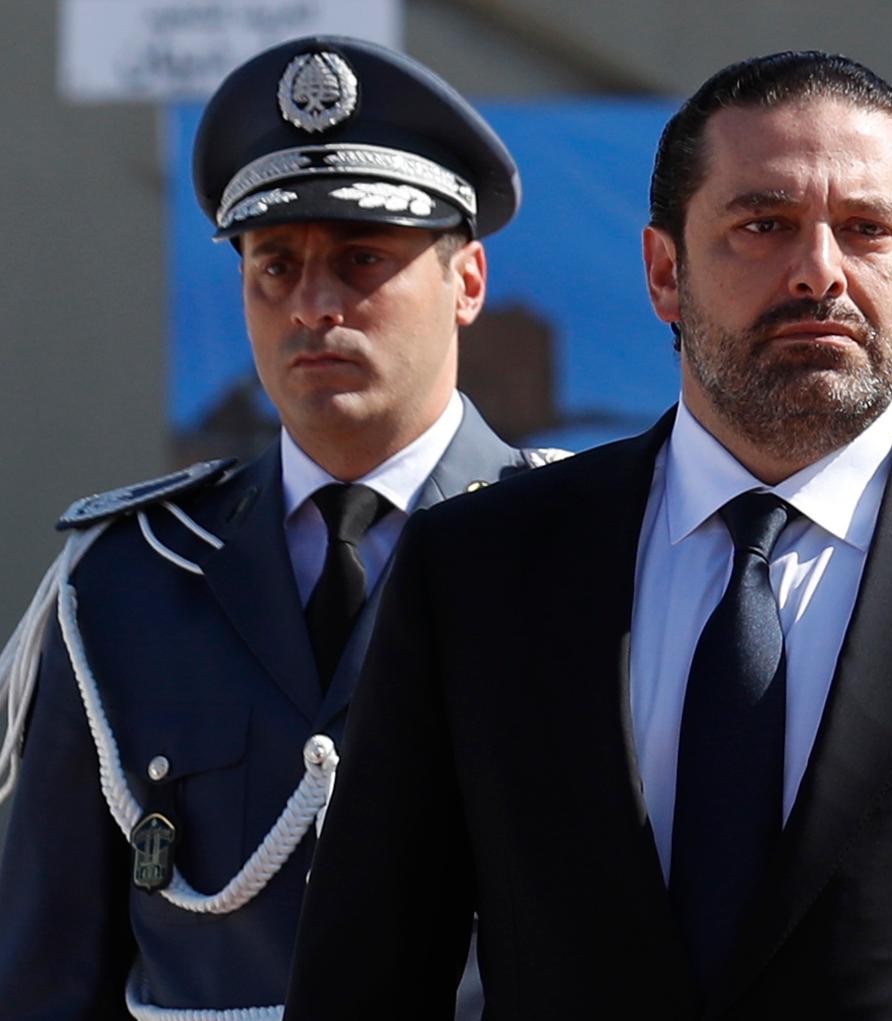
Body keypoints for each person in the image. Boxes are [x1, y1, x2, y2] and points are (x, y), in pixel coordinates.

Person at [284, 51, 892, 1019]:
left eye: (866, 230)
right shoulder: (478, 573)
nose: (820, 272)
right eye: (765, 225)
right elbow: (365, 979)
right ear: (664, 271)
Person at [0, 35, 564, 1020]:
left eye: (360, 260)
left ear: (467, 282)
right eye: (275, 265)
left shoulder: (582, 552)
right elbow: (48, 965)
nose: (312, 306)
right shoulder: (125, 578)